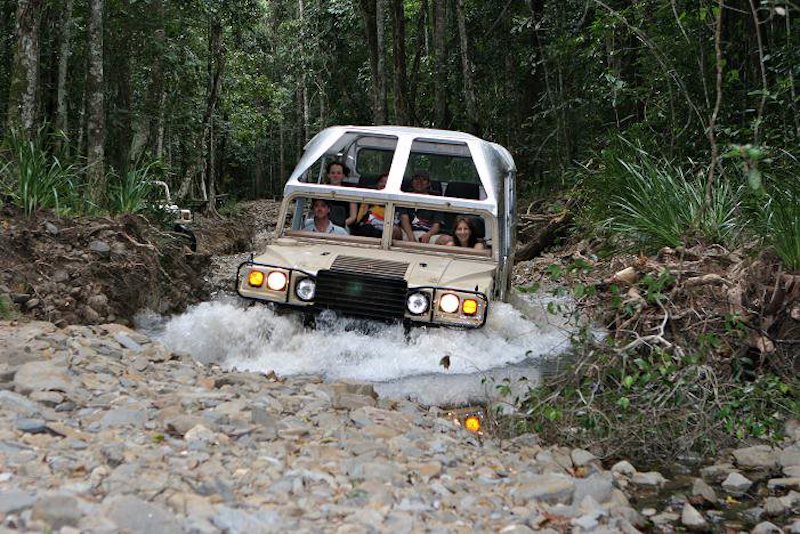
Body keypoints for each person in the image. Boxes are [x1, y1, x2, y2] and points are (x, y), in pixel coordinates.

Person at [398, 170, 450, 244]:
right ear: (412, 182)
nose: (419, 182)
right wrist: (411, 238)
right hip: (406, 232)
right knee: (392, 230)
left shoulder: (435, 200)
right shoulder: (405, 197)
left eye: (424, 179)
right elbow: (404, 218)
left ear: (429, 183)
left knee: (447, 239)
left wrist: (428, 235)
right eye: (416, 179)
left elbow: (437, 224)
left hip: (427, 234)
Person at [351, 173, 402, 239]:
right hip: (371, 228)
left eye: (387, 183)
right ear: (377, 184)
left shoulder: (397, 202)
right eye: (381, 182)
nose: (383, 184)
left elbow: (397, 221)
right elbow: (361, 219)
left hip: (388, 229)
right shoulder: (368, 199)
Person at [324, 161, 357, 227]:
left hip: (343, 227)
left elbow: (353, 217)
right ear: (328, 175)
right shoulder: (321, 190)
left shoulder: (351, 192)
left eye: (339, 173)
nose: (335, 175)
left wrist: (338, 226)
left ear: (343, 176)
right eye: (333, 173)